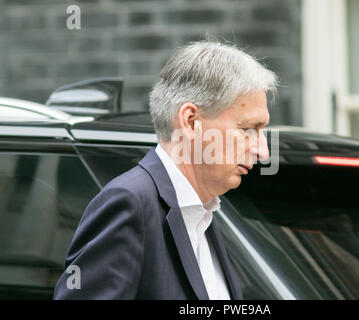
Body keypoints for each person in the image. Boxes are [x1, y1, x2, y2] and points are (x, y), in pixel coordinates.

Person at [53, 41, 278, 300]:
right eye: (248, 129)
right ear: (191, 122)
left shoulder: (203, 214)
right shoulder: (130, 204)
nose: (263, 151)